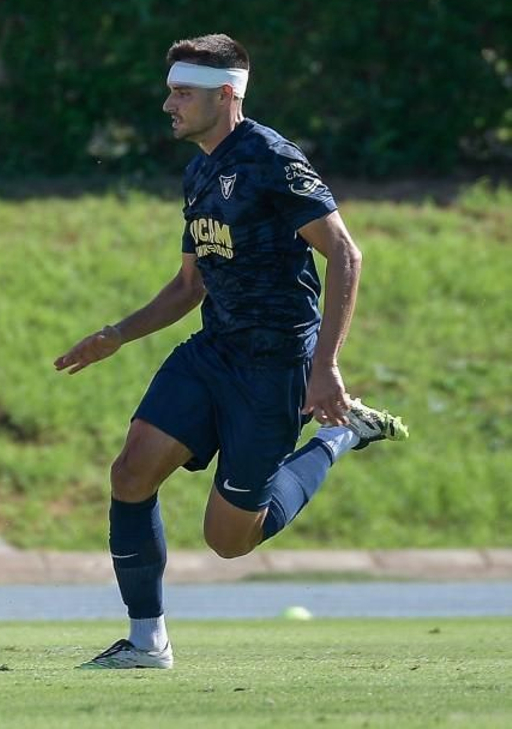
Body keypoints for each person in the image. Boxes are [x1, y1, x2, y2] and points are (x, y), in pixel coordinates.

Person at [54, 34, 408, 669]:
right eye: (169, 90)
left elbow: (346, 255)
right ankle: (146, 642)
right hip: (213, 352)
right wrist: (117, 334)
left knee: (228, 541)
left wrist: (323, 367)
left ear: (225, 95)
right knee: (131, 472)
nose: (168, 103)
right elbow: (191, 284)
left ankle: (337, 438)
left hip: (275, 369)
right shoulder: (198, 170)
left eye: (181, 92)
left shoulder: (273, 159)